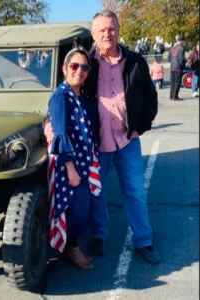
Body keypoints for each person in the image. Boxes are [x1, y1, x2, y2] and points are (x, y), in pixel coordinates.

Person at [45, 10, 160, 264]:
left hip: (127, 139)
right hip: (98, 144)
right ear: (94, 34)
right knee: (97, 192)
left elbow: (150, 96)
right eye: (102, 30)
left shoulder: (135, 61)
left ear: (118, 30)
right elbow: (62, 99)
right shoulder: (86, 63)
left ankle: (144, 240)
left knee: (135, 192)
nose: (108, 34)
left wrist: (142, 125)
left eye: (112, 29)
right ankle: (99, 236)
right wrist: (49, 126)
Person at [47, 45, 102, 270]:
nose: (79, 71)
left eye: (84, 67)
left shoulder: (84, 95)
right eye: (74, 66)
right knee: (75, 208)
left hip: (86, 162)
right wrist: (70, 168)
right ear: (64, 68)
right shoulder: (60, 96)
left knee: (84, 206)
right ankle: (72, 248)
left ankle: (74, 244)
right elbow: (60, 133)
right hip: (70, 165)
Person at [168, 36, 186, 100]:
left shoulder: (172, 48)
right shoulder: (181, 49)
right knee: (177, 82)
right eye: (183, 41)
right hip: (178, 67)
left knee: (172, 82)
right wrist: (183, 66)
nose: (183, 43)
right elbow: (181, 59)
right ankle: (175, 96)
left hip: (172, 67)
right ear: (181, 41)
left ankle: (171, 95)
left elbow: (169, 58)